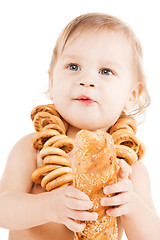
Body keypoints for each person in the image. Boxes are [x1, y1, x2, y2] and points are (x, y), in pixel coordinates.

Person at [0, 12, 159, 240]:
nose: (87, 80)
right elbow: (3, 209)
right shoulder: (34, 149)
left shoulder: (129, 166)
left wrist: (132, 206)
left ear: (132, 95)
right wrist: (47, 207)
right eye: (73, 66)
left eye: (106, 71)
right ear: (52, 81)